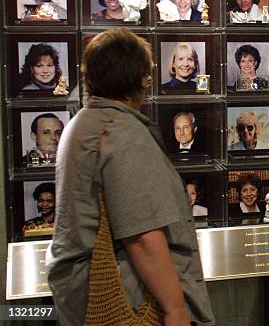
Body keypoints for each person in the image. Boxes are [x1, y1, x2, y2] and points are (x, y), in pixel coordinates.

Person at [46, 28, 214, 325]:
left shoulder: (83, 123)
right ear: (139, 80)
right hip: (127, 295)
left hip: (87, 290)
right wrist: (175, 308)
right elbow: (142, 236)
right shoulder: (122, 133)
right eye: (147, 75)